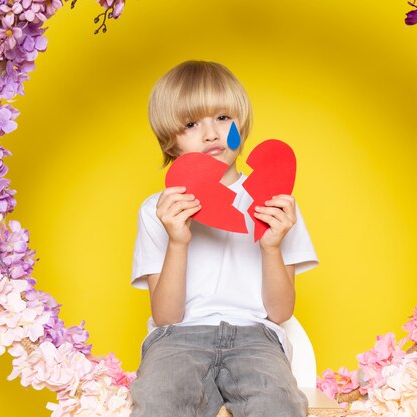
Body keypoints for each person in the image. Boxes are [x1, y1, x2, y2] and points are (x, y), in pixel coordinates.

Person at [130, 60, 319, 417]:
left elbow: (280, 313)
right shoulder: (159, 209)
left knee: (278, 404)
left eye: (222, 118)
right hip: (177, 339)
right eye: (190, 124)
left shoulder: (276, 200)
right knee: (157, 400)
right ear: (171, 140)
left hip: (257, 338)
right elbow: (166, 317)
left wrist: (271, 247)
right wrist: (178, 242)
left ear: (240, 124)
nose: (212, 134)